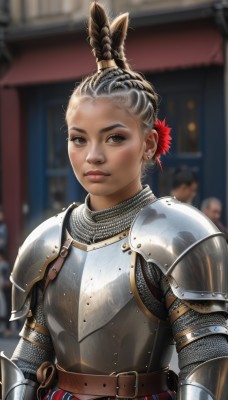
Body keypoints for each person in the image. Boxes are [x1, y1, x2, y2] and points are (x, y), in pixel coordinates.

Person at [1, 2, 228, 399]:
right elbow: (27, 356)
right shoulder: (48, 241)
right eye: (78, 138)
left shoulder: (179, 235)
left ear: (149, 143)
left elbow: (205, 359)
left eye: (115, 137)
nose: (93, 155)